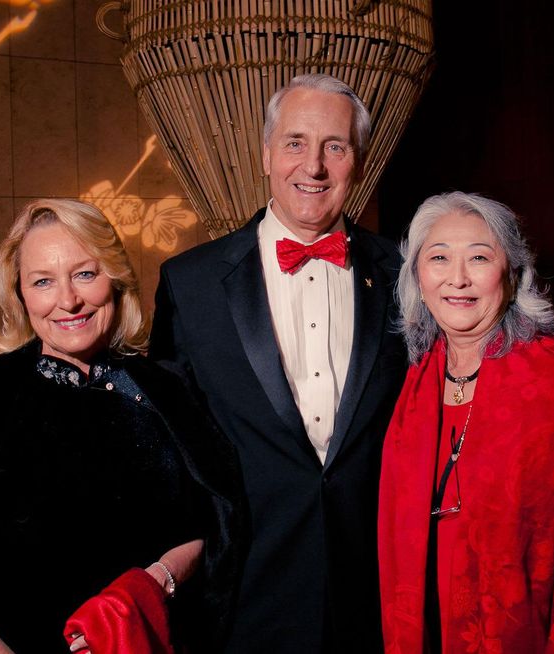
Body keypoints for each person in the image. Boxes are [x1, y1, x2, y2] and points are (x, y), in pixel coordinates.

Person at [0, 199, 246, 653]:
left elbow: (218, 522)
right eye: (43, 281)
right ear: (21, 294)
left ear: (115, 278)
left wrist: (153, 584)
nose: (68, 300)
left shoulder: (167, 388)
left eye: (85, 273)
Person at [148, 73, 408, 652]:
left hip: (377, 597)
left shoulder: (407, 274)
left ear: (357, 163)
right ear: (266, 154)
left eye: (334, 147)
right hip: (244, 596)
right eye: (295, 142)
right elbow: (170, 451)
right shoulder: (189, 283)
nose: (312, 166)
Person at [378, 192, 554, 652]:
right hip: (426, 629)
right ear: (417, 277)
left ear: (511, 275)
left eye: (478, 257)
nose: (458, 278)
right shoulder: (417, 379)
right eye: (438, 258)